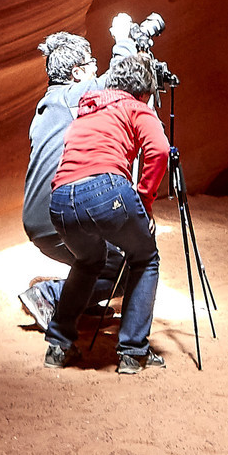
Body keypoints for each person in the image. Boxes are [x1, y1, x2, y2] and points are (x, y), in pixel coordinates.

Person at [44, 53, 169, 375]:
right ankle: (133, 352)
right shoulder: (136, 107)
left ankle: (58, 344)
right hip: (105, 189)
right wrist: (145, 200)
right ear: (145, 92)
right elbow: (159, 150)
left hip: (61, 199)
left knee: (88, 261)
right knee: (145, 258)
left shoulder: (87, 110)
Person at [19, 32, 118, 332]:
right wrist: (125, 40)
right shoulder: (70, 97)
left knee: (96, 253)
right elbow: (117, 80)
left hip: (42, 222)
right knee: (126, 264)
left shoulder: (48, 105)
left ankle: (81, 303)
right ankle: (50, 296)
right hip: (59, 221)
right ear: (76, 74)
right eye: (91, 64)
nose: (96, 69)